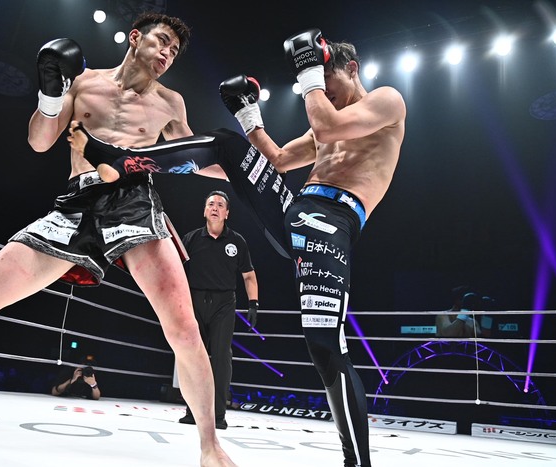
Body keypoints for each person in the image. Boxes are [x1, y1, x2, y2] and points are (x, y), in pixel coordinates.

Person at [0, 12, 236, 467]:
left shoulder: (171, 103)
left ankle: (209, 447)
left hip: (134, 201)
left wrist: (246, 163)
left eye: (174, 50)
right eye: (162, 41)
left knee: (184, 329)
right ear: (135, 38)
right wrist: (50, 95)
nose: (167, 53)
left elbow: (193, 157)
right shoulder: (84, 83)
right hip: (77, 200)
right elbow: (39, 141)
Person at [69, 27, 405, 467]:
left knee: (326, 349)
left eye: (328, 82)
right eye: (318, 84)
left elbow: (327, 125)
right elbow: (279, 160)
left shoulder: (386, 101)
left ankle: (356, 462)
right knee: (227, 144)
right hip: (295, 210)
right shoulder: (327, 114)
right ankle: (121, 161)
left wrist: (309, 74)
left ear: (352, 69)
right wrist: (249, 116)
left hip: (333, 221)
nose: (324, 93)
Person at [177, 190, 259, 430]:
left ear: (227, 213)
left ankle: (219, 415)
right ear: (205, 211)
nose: (215, 207)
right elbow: (176, 270)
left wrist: (253, 304)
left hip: (224, 303)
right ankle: (192, 412)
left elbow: (249, 275)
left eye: (220, 205)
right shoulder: (191, 239)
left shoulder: (237, 241)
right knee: (193, 356)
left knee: (222, 357)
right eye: (211, 204)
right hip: (194, 300)